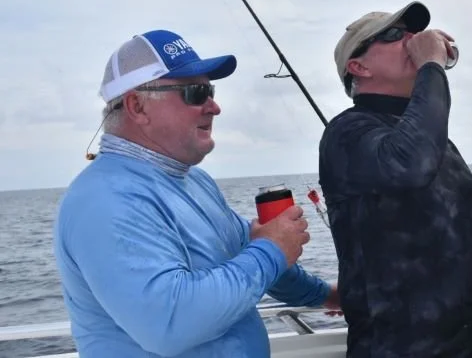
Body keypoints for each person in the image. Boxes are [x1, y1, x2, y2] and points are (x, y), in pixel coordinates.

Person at [53, 29, 339, 358]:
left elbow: (253, 258)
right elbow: (170, 324)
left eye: (211, 90)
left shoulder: (196, 181)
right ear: (137, 106)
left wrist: (329, 296)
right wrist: (272, 249)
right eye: (196, 93)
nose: (214, 107)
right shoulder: (104, 200)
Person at [317, 1, 472, 357]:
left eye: (412, 33)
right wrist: (431, 66)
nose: (411, 39)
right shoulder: (347, 132)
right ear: (357, 67)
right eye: (393, 35)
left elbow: (464, 250)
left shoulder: (437, 141)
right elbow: (410, 165)